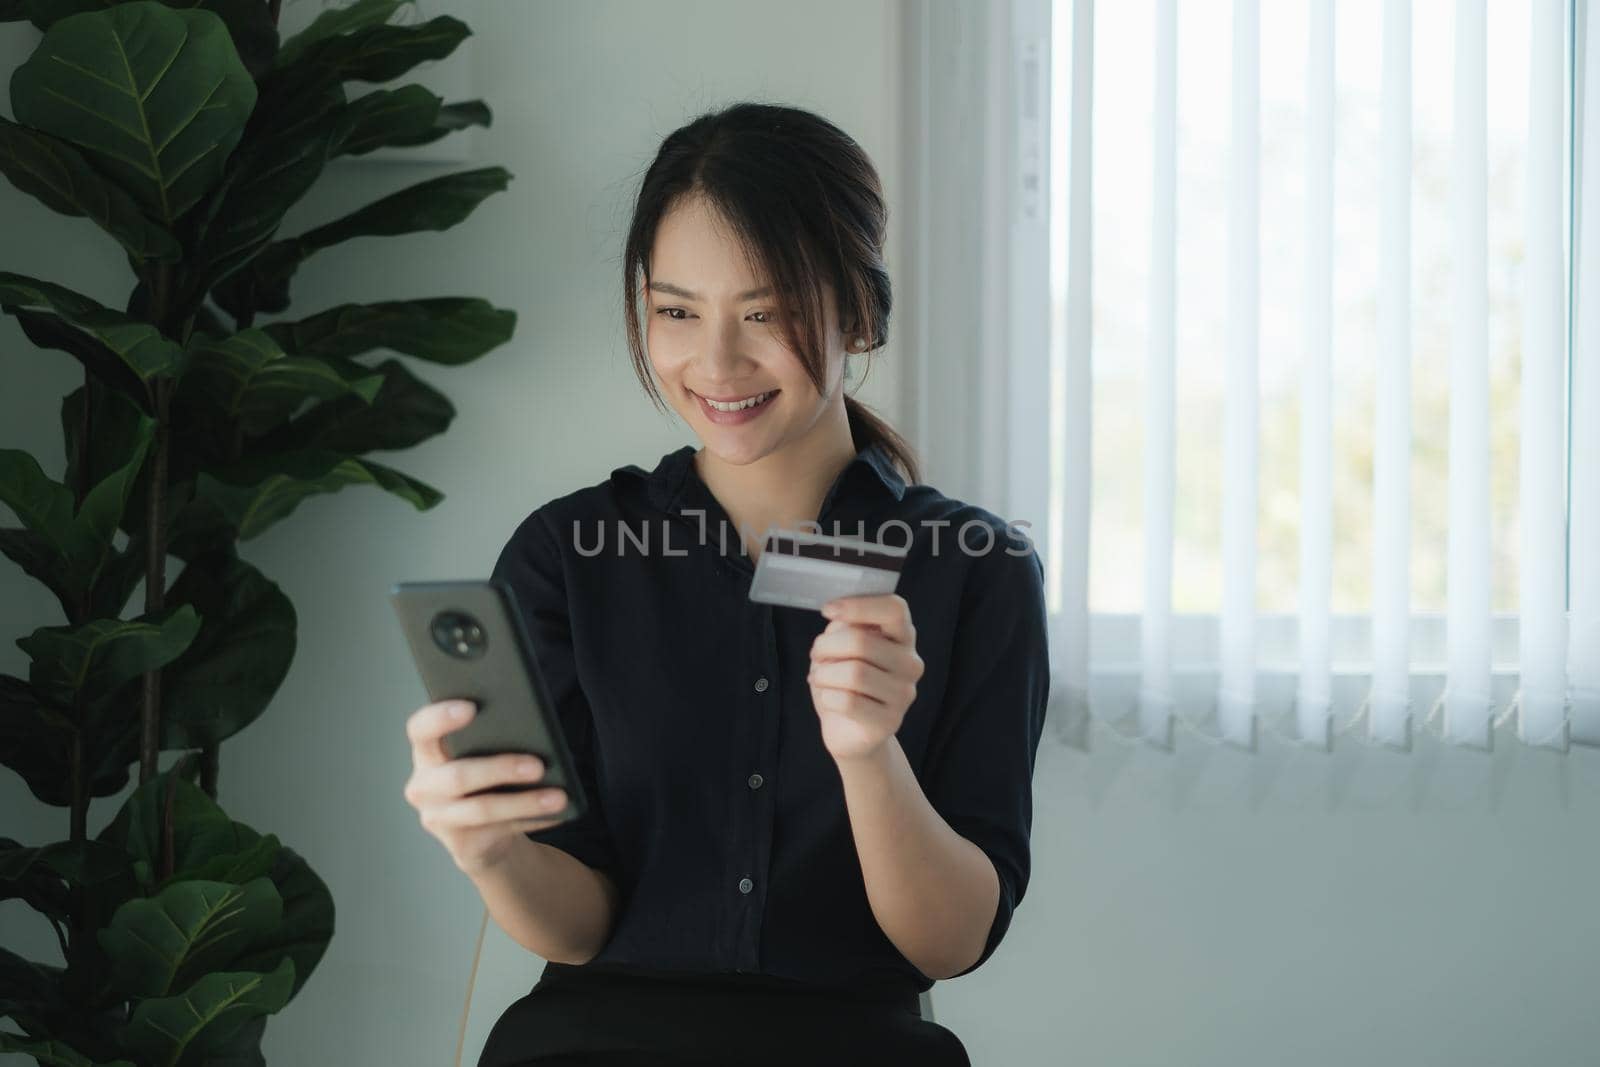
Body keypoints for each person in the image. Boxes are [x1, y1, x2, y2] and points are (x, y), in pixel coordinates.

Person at [402, 101, 1050, 1067]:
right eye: (675, 311)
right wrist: (489, 850)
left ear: (861, 312)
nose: (715, 362)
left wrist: (870, 755)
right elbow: (576, 925)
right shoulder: (564, 556)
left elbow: (948, 942)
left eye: (766, 312)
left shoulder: (973, 570)